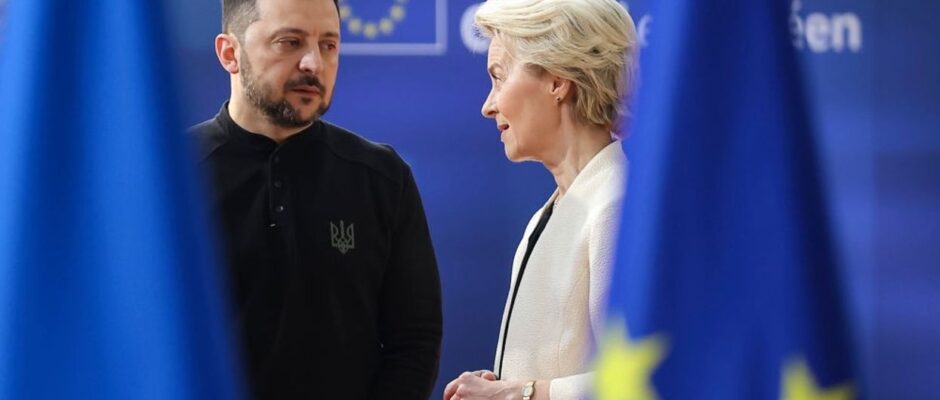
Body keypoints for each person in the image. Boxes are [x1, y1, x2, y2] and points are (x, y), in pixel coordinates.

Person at [190, 0, 442, 398]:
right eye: (289, 42)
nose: (313, 63)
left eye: (328, 45)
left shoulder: (382, 177)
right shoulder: (173, 178)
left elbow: (414, 340)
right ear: (229, 53)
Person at [444, 0, 638, 399]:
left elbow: (642, 379)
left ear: (557, 81)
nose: (488, 106)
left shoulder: (614, 206)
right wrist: (502, 384)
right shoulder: (552, 213)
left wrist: (522, 393)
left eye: (499, 77)